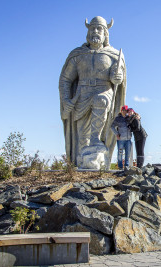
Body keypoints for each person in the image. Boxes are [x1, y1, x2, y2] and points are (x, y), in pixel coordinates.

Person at [58, 16, 126, 168]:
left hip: (104, 91)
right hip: (81, 95)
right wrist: (66, 99)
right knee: (82, 137)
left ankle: (96, 140)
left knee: (100, 100)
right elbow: (65, 79)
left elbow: (117, 79)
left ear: (105, 33)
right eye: (92, 28)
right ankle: (83, 161)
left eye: (99, 28)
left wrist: (117, 77)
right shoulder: (78, 55)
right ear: (88, 32)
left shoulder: (113, 55)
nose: (95, 31)